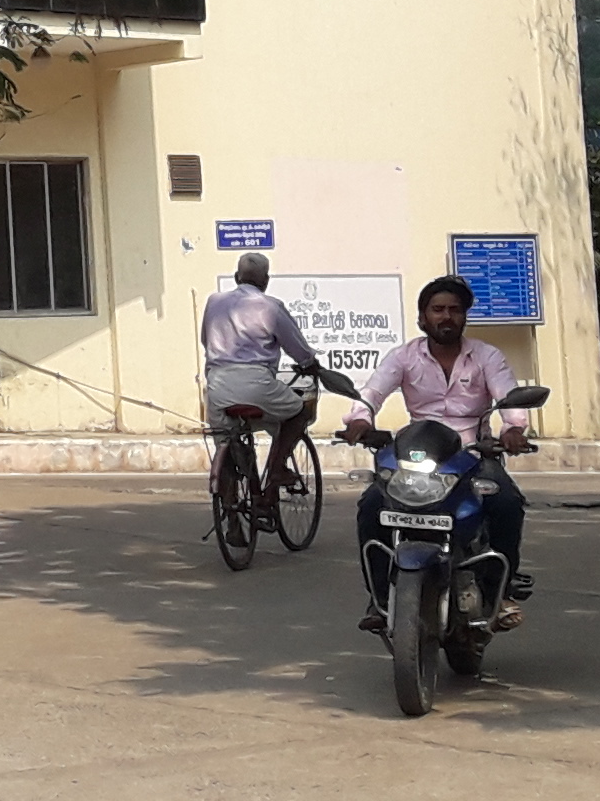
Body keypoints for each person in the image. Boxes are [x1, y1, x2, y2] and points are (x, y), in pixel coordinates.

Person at [342, 275, 533, 625]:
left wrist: (514, 428)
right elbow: (371, 393)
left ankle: (499, 592)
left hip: (473, 455)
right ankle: (380, 599)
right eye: (438, 310)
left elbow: (508, 399)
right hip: (417, 454)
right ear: (422, 317)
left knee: (505, 502)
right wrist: (360, 419)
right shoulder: (403, 357)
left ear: (464, 317)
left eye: (455, 310)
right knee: (372, 505)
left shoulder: (486, 356)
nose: (446, 317)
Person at [196, 252, 326, 509]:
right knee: (298, 413)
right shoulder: (270, 306)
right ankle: (277, 469)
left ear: (236, 277)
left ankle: (232, 517)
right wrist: (310, 364)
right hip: (258, 385)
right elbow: (298, 349)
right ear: (266, 281)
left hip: (218, 386)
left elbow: (205, 340)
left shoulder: (214, 302)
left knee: (227, 444)